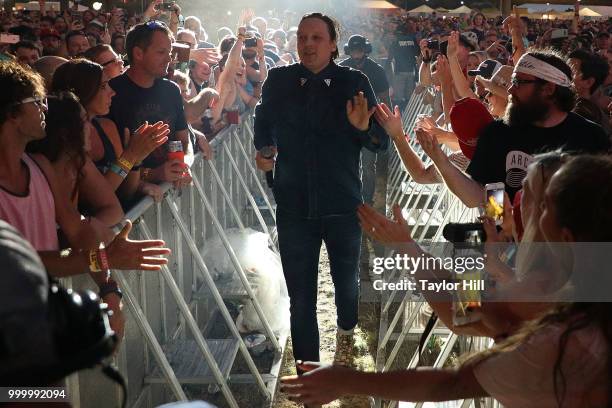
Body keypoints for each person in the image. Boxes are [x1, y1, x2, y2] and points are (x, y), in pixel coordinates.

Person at [281, 155, 612, 408]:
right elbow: (470, 311)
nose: (515, 200)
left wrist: (481, 267)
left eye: (533, 198)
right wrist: (413, 249)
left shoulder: (556, 311)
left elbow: (463, 319)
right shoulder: (544, 259)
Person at [254, 12, 389, 371]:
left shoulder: (353, 81)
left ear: (333, 45)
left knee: (346, 286)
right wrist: (264, 149)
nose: (308, 44)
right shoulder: (279, 79)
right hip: (294, 206)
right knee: (301, 299)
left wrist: (363, 128)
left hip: (343, 205)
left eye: (316, 38)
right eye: (302, 37)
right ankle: (308, 371)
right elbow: (262, 119)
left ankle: (347, 328)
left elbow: (380, 141)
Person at [427, 49, 610, 207]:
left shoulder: (590, 137)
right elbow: (488, 192)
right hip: (510, 243)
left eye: (519, 83)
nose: (510, 91)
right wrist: (500, 228)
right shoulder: (498, 133)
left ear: (548, 89)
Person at [106, 21, 192, 186]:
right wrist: (153, 174)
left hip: (168, 195)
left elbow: (184, 141)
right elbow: (108, 171)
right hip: (130, 203)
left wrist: (185, 164)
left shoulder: (172, 89)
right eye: (161, 52)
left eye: (170, 52)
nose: (169, 58)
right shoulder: (111, 93)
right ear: (138, 53)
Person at [339, 34, 390, 208]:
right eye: (353, 49)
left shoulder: (376, 70)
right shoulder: (341, 69)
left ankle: (366, 200)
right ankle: (349, 196)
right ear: (348, 50)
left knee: (368, 165)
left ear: (365, 50)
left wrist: (385, 121)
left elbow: (384, 98)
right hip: (346, 124)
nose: (356, 53)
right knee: (348, 162)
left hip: (372, 124)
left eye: (359, 49)